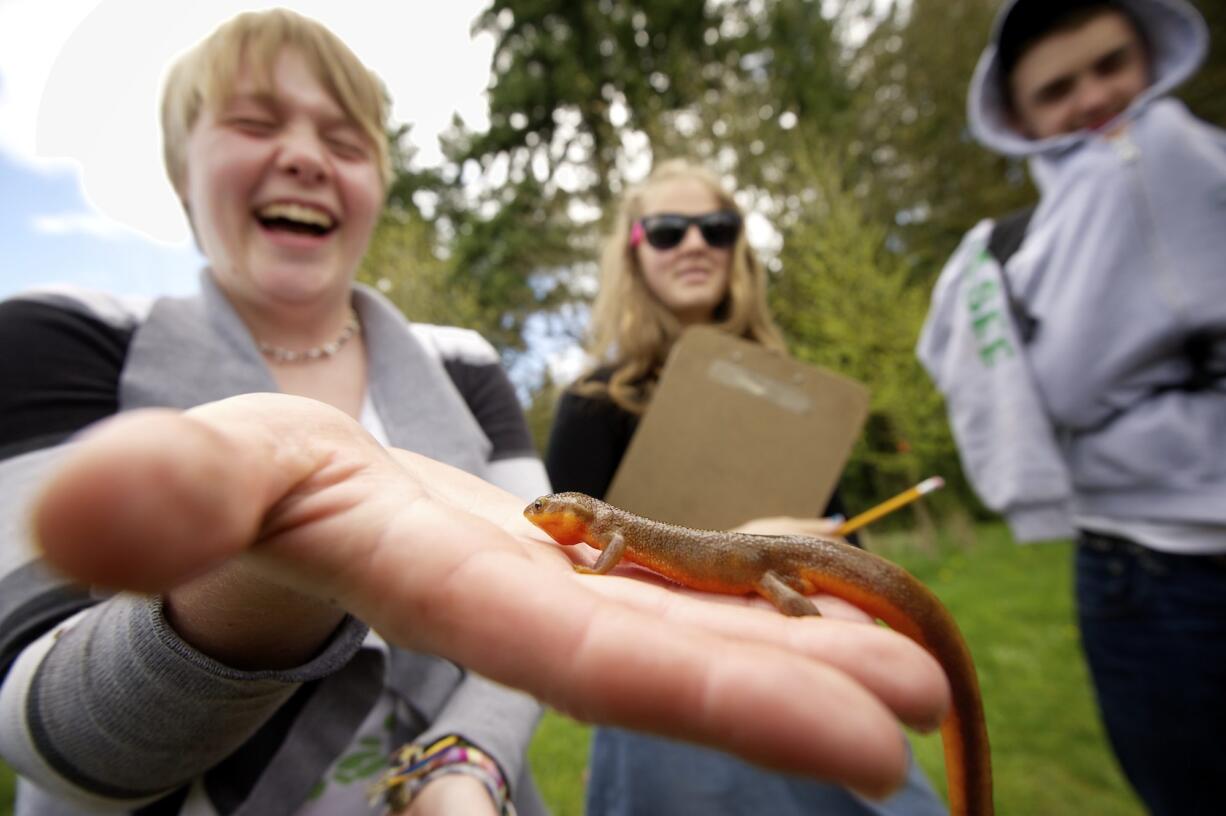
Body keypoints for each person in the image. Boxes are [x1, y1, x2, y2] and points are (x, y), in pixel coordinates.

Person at [0, 10, 952, 816]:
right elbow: (46, 726)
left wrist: (465, 769)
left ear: (378, 176)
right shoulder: (61, 337)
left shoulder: (465, 366)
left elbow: (540, 595)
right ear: (177, 165)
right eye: (255, 122)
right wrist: (276, 573)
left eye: (344, 139)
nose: (302, 157)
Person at [545, 159, 947, 816]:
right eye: (669, 229)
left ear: (740, 248)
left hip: (804, 662)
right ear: (634, 251)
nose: (697, 242)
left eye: (718, 227)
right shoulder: (593, 403)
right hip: (664, 686)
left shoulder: (804, 400)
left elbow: (845, 531)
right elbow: (570, 573)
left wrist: (820, 545)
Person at [917, 1, 1226, 813]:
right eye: (1057, 88)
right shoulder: (996, 261)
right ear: (1017, 114)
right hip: (1145, 564)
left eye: (1112, 65)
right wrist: (1031, 495)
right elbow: (992, 401)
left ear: (1152, 58)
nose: (1093, 99)